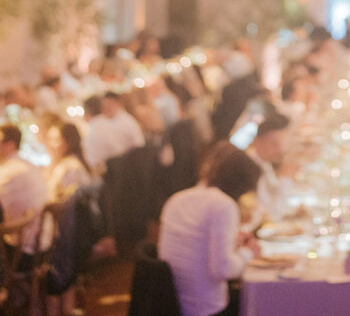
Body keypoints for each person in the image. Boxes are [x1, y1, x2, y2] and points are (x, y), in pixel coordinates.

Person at [159, 143, 261, 316]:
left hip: (172, 301)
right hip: (206, 307)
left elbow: (195, 246)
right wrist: (249, 252)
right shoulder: (222, 205)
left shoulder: (177, 199)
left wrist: (234, 243)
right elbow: (223, 269)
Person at [0, 124, 48, 257]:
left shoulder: (10, 171)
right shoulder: (28, 165)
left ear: (10, 145)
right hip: (39, 243)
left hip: (21, 251)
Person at [82, 93, 145, 171]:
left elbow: (93, 163)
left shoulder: (92, 133)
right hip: (130, 166)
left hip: (120, 169)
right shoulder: (113, 123)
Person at [246, 115, 293, 220]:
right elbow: (272, 213)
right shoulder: (250, 169)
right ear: (255, 141)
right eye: (274, 144)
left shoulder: (264, 163)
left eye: (281, 144)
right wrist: (286, 178)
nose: (280, 150)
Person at [45, 122, 91, 203]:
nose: (50, 145)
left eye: (56, 140)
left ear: (69, 142)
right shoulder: (66, 164)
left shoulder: (70, 167)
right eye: (49, 139)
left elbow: (64, 203)